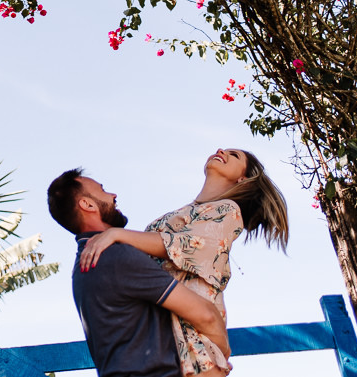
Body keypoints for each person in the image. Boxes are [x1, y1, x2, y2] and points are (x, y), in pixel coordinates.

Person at [77, 149, 289, 377]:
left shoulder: (229, 211)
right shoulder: (181, 212)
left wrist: (118, 235)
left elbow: (186, 245)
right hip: (164, 337)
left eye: (234, 155)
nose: (220, 151)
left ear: (243, 179)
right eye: (223, 150)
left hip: (195, 344)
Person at [47, 168, 231, 377]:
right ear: (87, 204)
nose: (113, 195)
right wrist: (222, 353)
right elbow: (206, 315)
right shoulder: (116, 256)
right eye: (102, 190)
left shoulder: (83, 267)